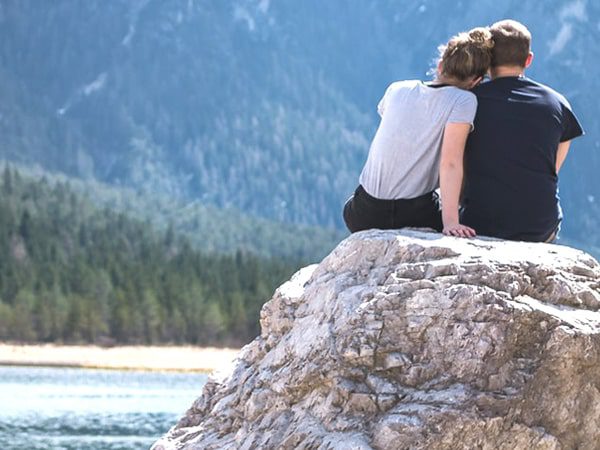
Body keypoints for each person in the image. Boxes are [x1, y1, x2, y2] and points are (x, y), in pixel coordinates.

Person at [343, 28, 493, 238]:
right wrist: (451, 222)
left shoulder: (397, 89)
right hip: (413, 214)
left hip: (362, 213)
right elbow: (450, 162)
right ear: (476, 81)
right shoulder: (463, 101)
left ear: (440, 66)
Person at [461, 20, 584, 242]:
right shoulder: (558, 104)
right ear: (528, 60)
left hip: (479, 223)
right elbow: (551, 168)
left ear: (487, 59)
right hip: (539, 227)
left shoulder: (468, 101)